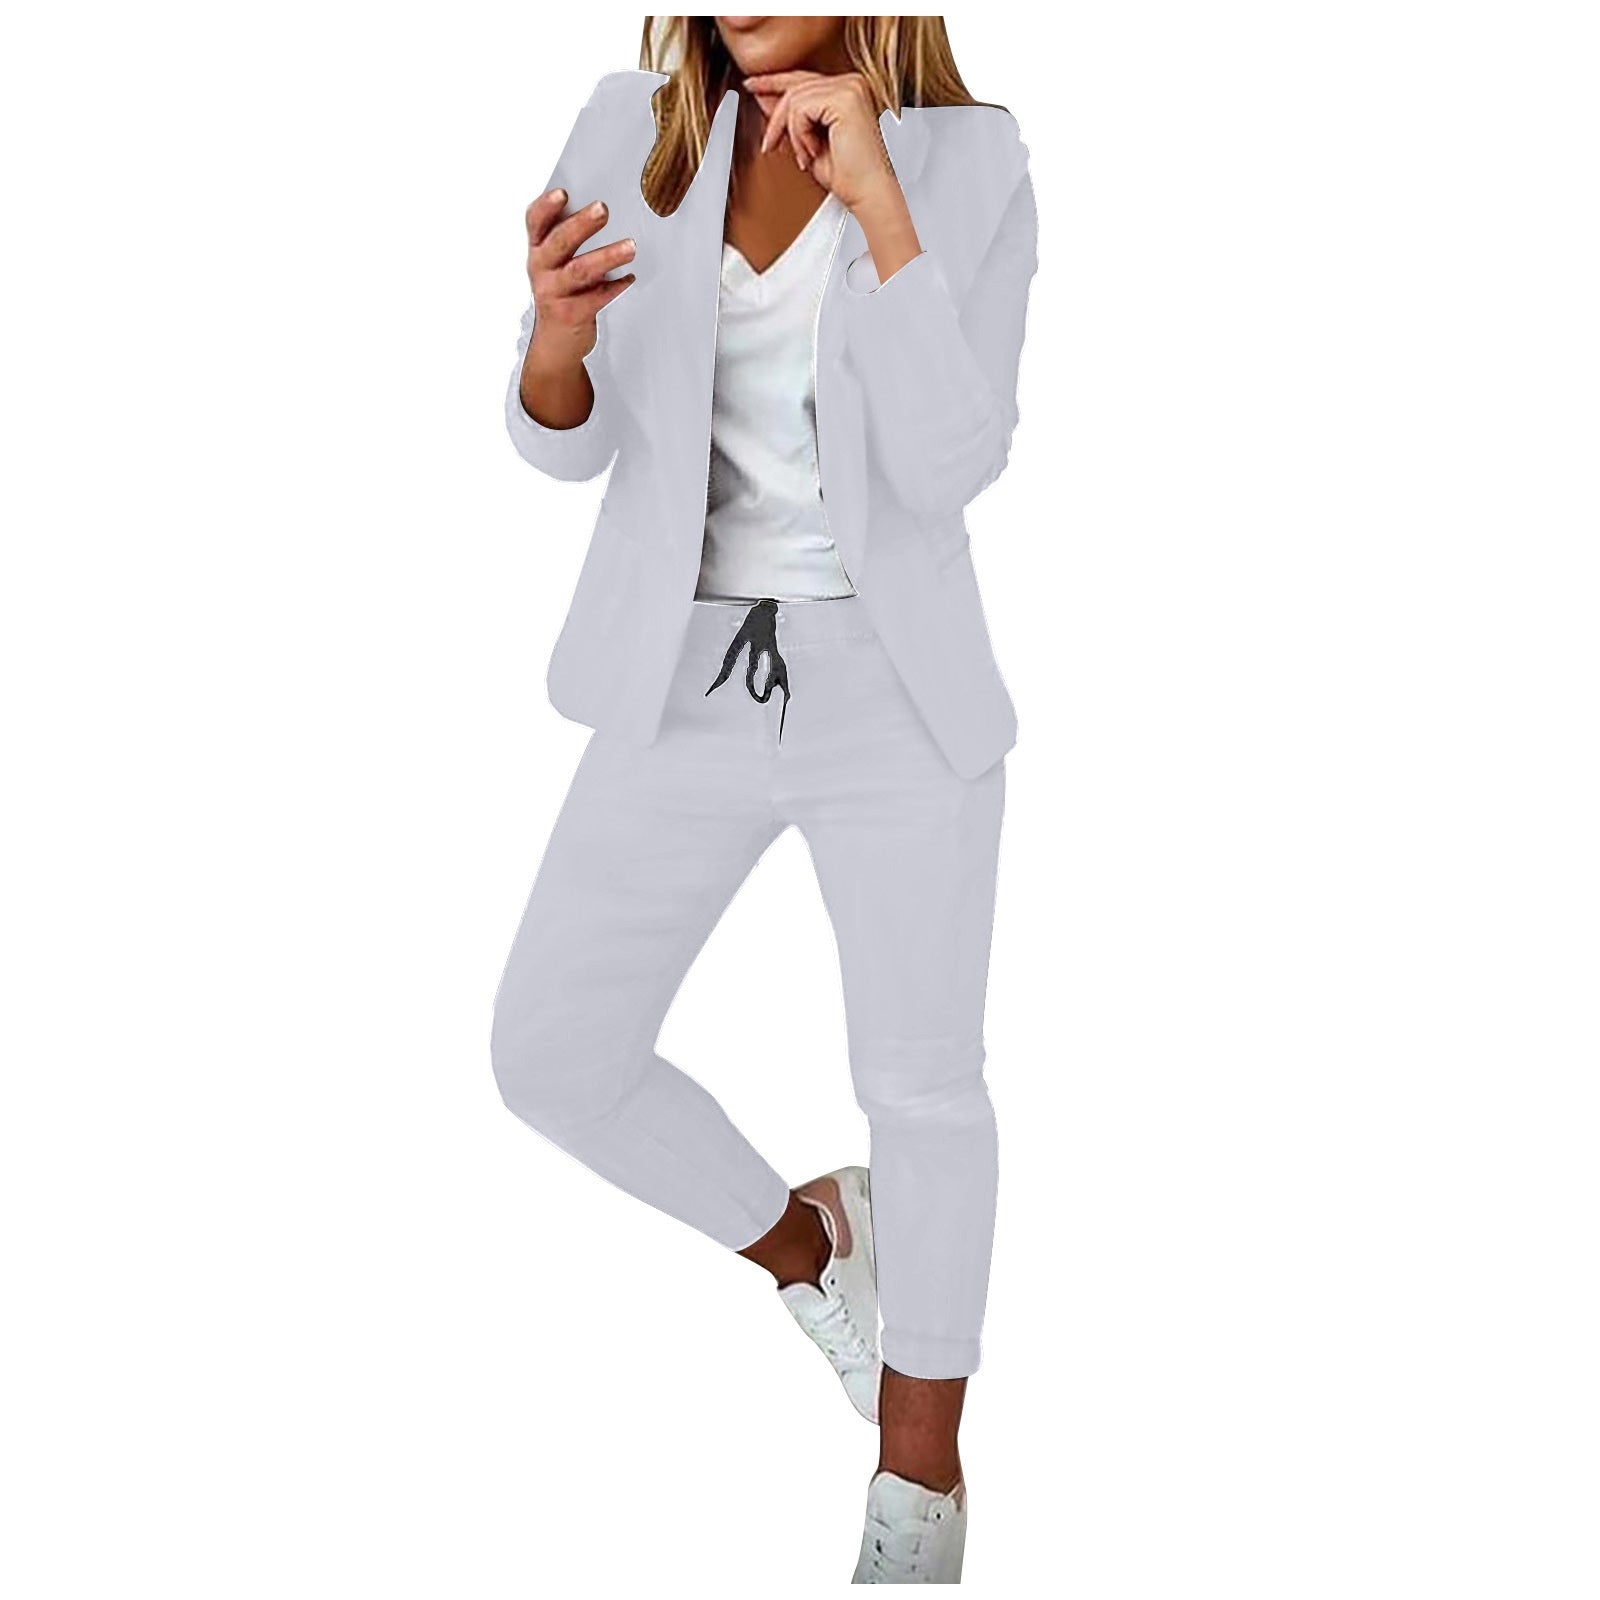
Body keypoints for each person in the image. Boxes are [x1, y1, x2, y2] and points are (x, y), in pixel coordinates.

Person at [492, 15, 1036, 1583]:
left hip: (895, 685)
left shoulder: (972, 158)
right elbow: (561, 444)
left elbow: (951, 463)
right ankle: (811, 1242)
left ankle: (918, 1486)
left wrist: (882, 208)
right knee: (551, 1053)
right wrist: (553, 343)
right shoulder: (627, 128)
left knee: (921, 1087)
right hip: (680, 677)